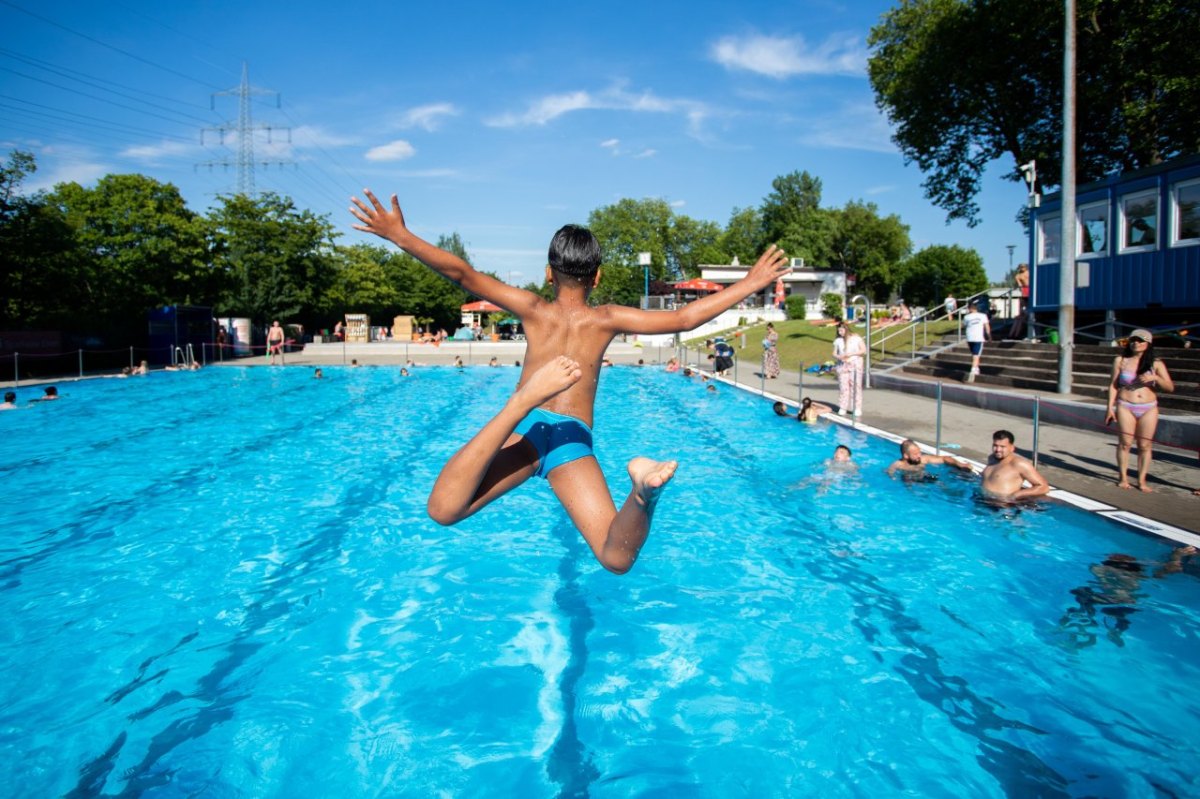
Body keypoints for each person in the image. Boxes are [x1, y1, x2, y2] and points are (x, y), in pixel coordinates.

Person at [351, 188, 792, 574]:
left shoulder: (531, 308)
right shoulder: (607, 319)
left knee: (444, 510)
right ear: (596, 276)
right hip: (570, 440)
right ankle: (641, 494)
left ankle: (522, 404)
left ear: (548, 272)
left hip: (525, 430)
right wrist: (749, 283)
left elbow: (463, 275)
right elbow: (683, 317)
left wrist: (400, 236)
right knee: (615, 557)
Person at [1104, 329, 1175, 492]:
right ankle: (1123, 477)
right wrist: (1109, 407)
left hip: (1148, 407)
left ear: (1148, 344)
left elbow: (1170, 387)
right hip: (1125, 405)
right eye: (1133, 340)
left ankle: (1141, 480)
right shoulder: (1120, 360)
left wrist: (1155, 378)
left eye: (1140, 340)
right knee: (1125, 444)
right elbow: (1114, 385)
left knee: (1145, 445)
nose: (1136, 343)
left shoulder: (1156, 364)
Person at [979, 429, 1049, 502]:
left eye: (1002, 446)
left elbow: (1043, 487)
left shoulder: (1019, 464)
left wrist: (1015, 495)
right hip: (982, 501)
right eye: (995, 445)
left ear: (1012, 448)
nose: (998, 449)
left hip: (1002, 506)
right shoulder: (992, 458)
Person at [886, 438, 972, 479]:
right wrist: (893, 477)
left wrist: (959, 464)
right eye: (915, 454)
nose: (919, 455)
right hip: (909, 480)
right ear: (906, 456)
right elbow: (889, 472)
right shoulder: (898, 464)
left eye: (919, 452)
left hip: (925, 477)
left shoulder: (923, 459)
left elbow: (945, 459)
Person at [832, 321, 865, 417]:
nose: (840, 333)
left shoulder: (856, 338)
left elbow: (863, 350)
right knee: (843, 386)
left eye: (841, 330)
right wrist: (839, 356)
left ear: (846, 329)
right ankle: (843, 406)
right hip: (843, 365)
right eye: (839, 331)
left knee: (855, 386)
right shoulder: (838, 341)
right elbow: (834, 353)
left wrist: (851, 354)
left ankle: (857, 407)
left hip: (855, 363)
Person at [963, 301, 991, 382]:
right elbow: (987, 327)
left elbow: (964, 326)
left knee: (974, 354)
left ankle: (976, 368)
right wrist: (989, 336)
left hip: (969, 338)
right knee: (976, 355)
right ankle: (973, 369)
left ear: (970, 309)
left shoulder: (966, 317)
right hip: (978, 338)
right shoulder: (983, 316)